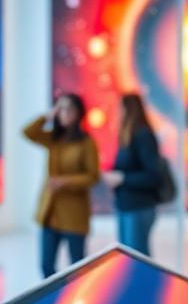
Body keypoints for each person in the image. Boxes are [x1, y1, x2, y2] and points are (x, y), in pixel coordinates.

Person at [23, 94, 99, 277]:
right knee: (46, 266)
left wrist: (65, 181)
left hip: (74, 214)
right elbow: (28, 132)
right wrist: (48, 116)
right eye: (60, 108)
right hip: (50, 211)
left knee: (78, 268)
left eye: (69, 109)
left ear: (79, 113)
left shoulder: (86, 143)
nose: (64, 113)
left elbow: (92, 176)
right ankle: (53, 303)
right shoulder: (54, 139)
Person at [102, 93, 164, 257]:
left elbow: (153, 176)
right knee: (126, 259)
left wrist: (122, 178)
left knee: (138, 260)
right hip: (125, 206)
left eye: (120, 109)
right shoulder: (126, 137)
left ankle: (148, 284)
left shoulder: (143, 136)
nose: (117, 113)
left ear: (128, 110)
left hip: (139, 207)